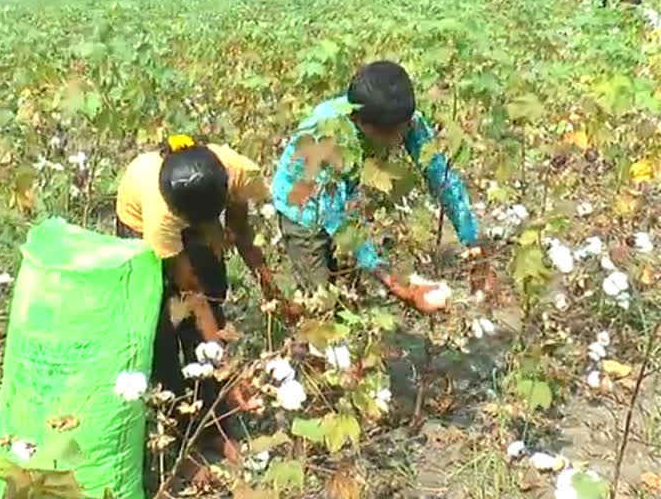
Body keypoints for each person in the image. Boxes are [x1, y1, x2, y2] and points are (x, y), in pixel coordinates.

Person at [115, 134, 283, 465]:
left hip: (192, 217)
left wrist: (271, 290)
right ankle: (183, 440)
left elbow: (241, 234)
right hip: (138, 228)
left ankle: (218, 429)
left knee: (210, 314)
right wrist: (226, 366)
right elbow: (193, 293)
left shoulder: (237, 173)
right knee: (162, 331)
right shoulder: (161, 214)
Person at [271, 61, 480, 312]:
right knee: (320, 299)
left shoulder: (403, 119)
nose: (397, 139)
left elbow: (440, 174)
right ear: (358, 121)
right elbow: (337, 218)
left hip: (343, 198)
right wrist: (399, 286)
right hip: (303, 208)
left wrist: (474, 244)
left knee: (348, 290)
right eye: (387, 133)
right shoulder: (326, 136)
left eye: (401, 130)